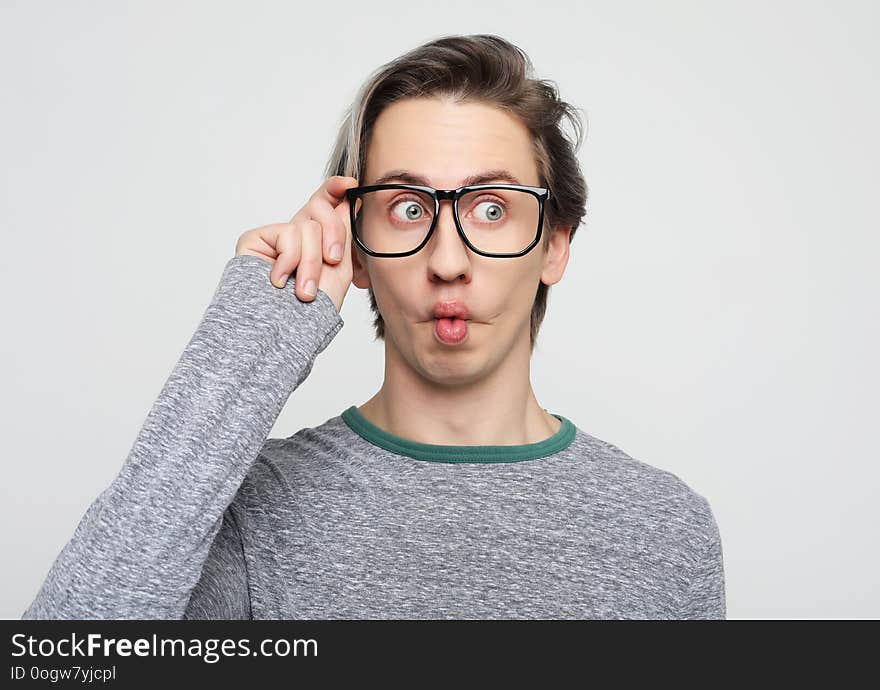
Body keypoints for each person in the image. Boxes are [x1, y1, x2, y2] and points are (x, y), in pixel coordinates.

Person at [22, 34, 725, 620]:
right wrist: (252, 335)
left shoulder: (664, 530)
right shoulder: (247, 515)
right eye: (408, 208)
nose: (448, 261)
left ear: (554, 244)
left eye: (490, 209)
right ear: (354, 247)